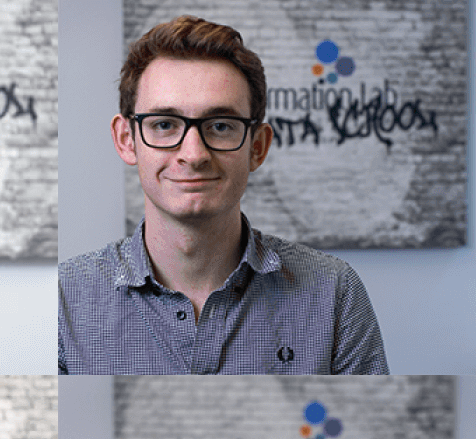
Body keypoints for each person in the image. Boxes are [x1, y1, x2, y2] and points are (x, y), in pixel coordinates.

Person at [58, 15, 388, 375]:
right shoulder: (63, 302)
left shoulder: (333, 294)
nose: (194, 154)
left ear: (257, 147)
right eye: (165, 125)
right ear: (127, 140)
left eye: (220, 126)